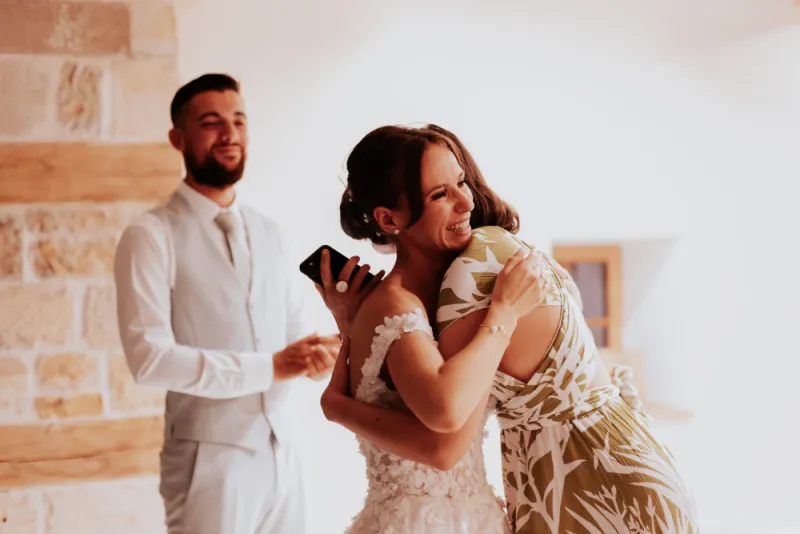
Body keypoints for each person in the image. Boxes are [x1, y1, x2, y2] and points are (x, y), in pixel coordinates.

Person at [317, 124, 698, 533]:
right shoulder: (418, 300)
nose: (465, 202)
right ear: (388, 218)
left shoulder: (461, 286)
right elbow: (442, 429)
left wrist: (349, 345)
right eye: (439, 194)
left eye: (460, 182)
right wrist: (502, 314)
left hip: (531, 499)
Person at [113, 73, 359, 534]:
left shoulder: (270, 231)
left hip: (285, 451)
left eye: (238, 121)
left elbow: (292, 338)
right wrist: (272, 366)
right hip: (208, 460)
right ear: (178, 138)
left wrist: (322, 353)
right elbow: (149, 360)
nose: (230, 135)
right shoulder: (150, 235)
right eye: (211, 123)